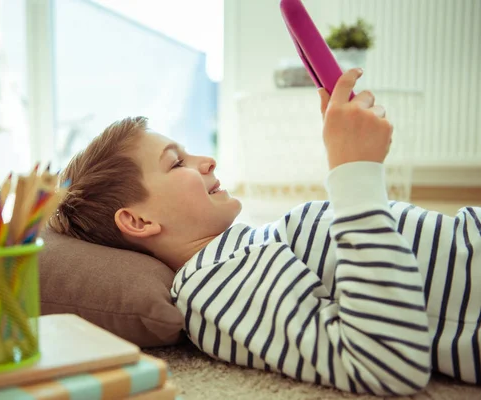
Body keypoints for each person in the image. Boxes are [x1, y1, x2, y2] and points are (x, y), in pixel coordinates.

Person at [49, 68, 481, 395]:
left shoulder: (245, 246)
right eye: (176, 162)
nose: (207, 161)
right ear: (139, 221)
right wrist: (355, 173)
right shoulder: (212, 285)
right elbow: (387, 361)